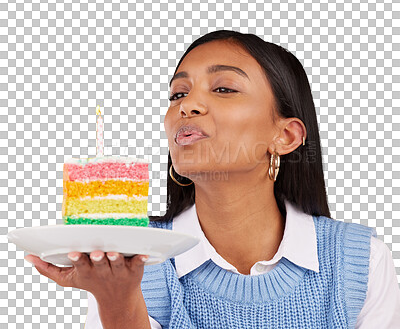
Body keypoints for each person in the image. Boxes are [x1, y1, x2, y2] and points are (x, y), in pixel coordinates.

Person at [25, 30, 400, 328]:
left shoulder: (360, 261)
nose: (186, 105)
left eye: (223, 88)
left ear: (285, 136)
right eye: (178, 93)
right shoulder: (132, 259)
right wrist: (118, 301)